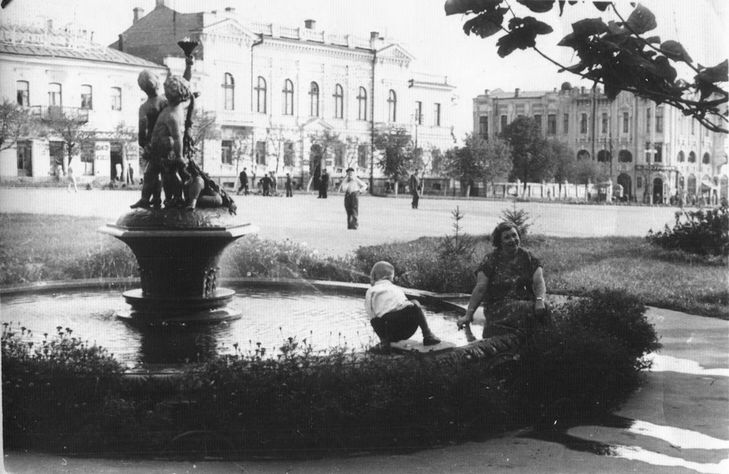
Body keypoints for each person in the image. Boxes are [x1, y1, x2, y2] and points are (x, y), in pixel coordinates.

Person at [457, 222, 548, 341]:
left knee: (545, 308)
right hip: (498, 308)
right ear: (499, 242)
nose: (512, 240)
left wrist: (540, 300)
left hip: (523, 302)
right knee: (529, 309)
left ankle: (546, 346)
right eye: (507, 237)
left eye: (514, 235)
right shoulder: (491, 260)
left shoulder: (527, 256)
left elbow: (539, 281)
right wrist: (468, 315)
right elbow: (480, 288)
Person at [365, 261, 441, 352]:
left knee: (374, 320)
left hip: (387, 331)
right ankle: (428, 335)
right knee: (415, 304)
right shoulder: (396, 289)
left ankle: (384, 343)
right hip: (406, 330)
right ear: (391, 278)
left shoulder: (371, 290)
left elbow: (370, 312)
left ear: (373, 276)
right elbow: (404, 304)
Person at [131, 70, 167, 209]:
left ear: (142, 89)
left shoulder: (144, 107)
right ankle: (155, 199)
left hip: (157, 144)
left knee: (152, 173)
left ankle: (149, 199)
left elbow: (142, 130)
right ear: (158, 83)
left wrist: (144, 144)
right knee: (158, 173)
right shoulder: (164, 101)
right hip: (164, 142)